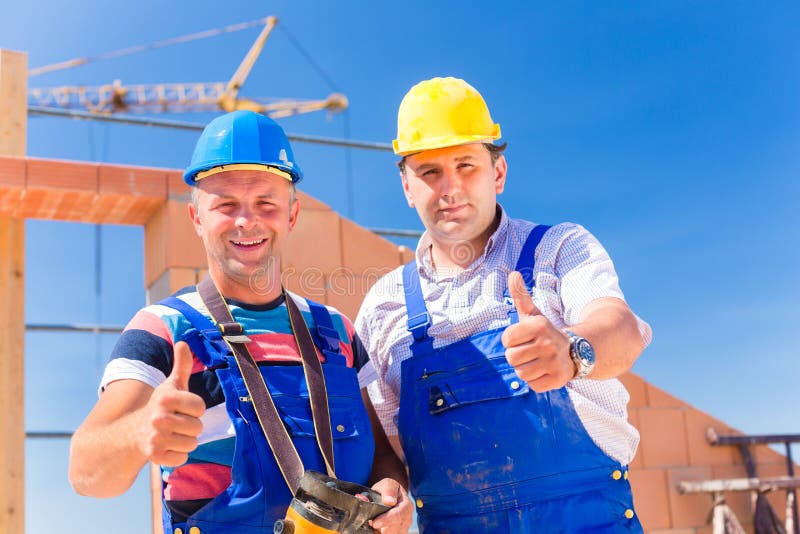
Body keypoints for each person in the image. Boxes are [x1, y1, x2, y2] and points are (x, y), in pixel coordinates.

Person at [69, 110, 412, 534]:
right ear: (197, 219)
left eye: (266, 203)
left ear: (291, 215)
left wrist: (394, 494)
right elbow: (85, 471)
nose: (246, 221)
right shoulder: (164, 329)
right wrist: (140, 430)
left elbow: (382, 458)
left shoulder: (338, 332)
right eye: (225, 205)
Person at [355, 77, 653, 532]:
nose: (450, 188)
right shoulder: (383, 307)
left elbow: (622, 329)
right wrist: (389, 489)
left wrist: (573, 352)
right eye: (429, 172)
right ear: (407, 187)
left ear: (498, 173)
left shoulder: (559, 248)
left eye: (466, 165)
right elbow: (385, 450)